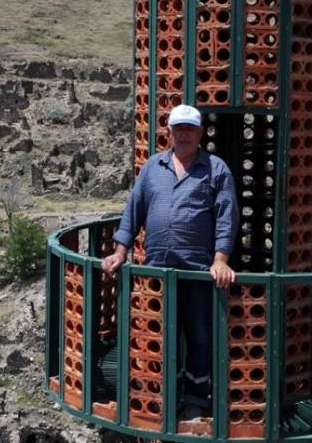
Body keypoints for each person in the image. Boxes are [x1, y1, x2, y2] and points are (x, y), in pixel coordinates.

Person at [102, 104, 238, 417]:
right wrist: (120, 252)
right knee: (160, 333)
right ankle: (163, 392)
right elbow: (132, 210)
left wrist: (220, 260)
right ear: (169, 132)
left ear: (200, 132)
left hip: (196, 271)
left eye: (190, 128)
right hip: (157, 271)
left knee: (200, 335)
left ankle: (194, 398)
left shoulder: (216, 169)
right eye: (179, 128)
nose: (185, 134)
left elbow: (226, 217)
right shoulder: (152, 167)